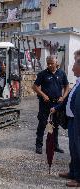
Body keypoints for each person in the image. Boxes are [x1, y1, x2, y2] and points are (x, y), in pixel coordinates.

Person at [51, 50, 80, 187]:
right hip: (73, 121)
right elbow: (68, 98)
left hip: (78, 122)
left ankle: (79, 179)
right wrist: (57, 108)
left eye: (75, 63)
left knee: (78, 149)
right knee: (73, 148)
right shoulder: (78, 82)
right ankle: (73, 172)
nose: (72, 67)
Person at [32, 55, 69, 154]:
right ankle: (39, 146)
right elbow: (34, 87)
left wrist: (63, 97)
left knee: (54, 125)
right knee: (42, 124)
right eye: (48, 63)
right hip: (45, 104)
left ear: (56, 63)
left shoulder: (61, 73)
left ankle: (55, 146)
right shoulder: (42, 74)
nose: (49, 65)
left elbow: (67, 86)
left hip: (57, 104)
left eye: (51, 63)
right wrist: (43, 95)